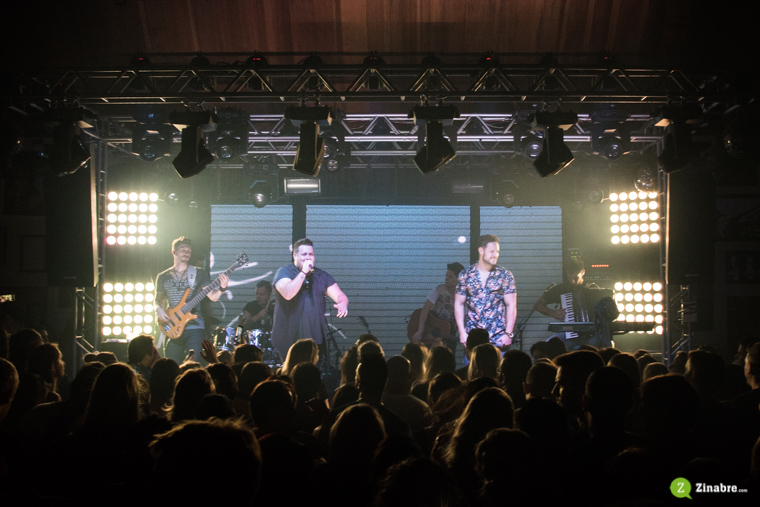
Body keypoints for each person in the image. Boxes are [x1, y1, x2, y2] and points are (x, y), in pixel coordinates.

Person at [271, 238, 349, 361]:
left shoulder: (321, 275)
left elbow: (340, 296)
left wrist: (342, 303)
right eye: (304, 254)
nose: (308, 258)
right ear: (295, 256)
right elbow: (288, 293)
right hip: (289, 341)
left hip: (315, 340)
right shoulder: (284, 272)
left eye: (311, 254)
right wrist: (303, 272)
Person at [154, 237, 228, 366]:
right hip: (172, 325)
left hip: (195, 326)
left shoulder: (198, 273)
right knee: (171, 364)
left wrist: (222, 288)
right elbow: (158, 300)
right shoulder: (163, 276)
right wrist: (158, 309)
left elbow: (213, 297)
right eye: (183, 249)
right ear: (174, 252)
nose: (186, 252)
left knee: (194, 364)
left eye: (189, 250)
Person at [454, 235, 516, 349]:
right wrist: (462, 332)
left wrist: (508, 334)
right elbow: (458, 303)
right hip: (473, 337)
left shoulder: (505, 275)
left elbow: (511, 304)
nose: (495, 255)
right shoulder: (466, 274)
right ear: (481, 250)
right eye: (492, 251)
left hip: (498, 338)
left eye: (497, 251)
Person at [411, 262, 464, 351]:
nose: (446, 278)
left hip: (449, 334)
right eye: (446, 275)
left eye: (450, 277)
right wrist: (420, 330)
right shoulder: (439, 289)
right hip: (431, 331)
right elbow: (425, 309)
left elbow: (464, 319)